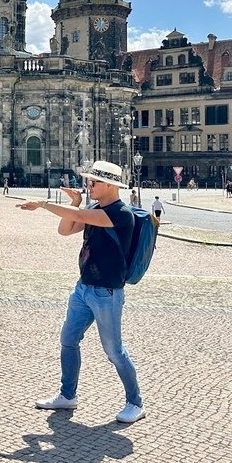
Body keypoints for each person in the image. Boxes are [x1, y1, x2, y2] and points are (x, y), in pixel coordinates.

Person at [16, 160, 146, 424]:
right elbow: (65, 229)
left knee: (114, 351)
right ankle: (67, 396)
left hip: (107, 292)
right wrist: (74, 204)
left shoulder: (121, 214)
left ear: (109, 185)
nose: (89, 186)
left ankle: (135, 402)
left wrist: (43, 204)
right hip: (84, 289)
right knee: (68, 340)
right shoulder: (95, 208)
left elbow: (79, 219)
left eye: (94, 182)